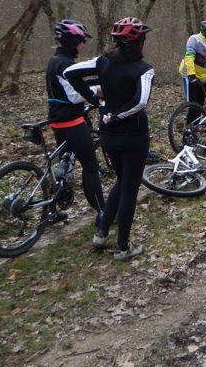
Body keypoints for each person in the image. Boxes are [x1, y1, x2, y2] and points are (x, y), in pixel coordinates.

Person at [65, 17, 154, 261]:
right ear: (139, 42)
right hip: (134, 135)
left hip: (108, 136)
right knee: (130, 189)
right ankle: (123, 247)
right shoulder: (144, 70)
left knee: (122, 180)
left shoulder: (103, 62)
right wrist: (116, 114)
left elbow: (69, 72)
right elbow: (141, 101)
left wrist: (93, 100)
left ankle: (102, 233)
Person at [45, 19, 105, 222]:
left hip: (56, 120)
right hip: (72, 121)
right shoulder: (65, 64)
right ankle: (102, 212)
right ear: (72, 41)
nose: (83, 44)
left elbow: (68, 88)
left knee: (64, 166)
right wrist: (96, 91)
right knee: (90, 167)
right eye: (81, 40)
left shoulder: (55, 60)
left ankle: (51, 211)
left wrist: (92, 84)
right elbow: (75, 96)